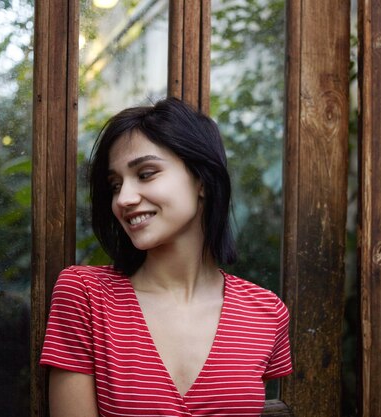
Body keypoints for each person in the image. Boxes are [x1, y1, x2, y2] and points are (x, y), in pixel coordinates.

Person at [40, 97, 292, 416]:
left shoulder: (265, 313)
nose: (124, 199)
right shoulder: (85, 295)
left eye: (145, 174)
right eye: (115, 185)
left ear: (201, 180)